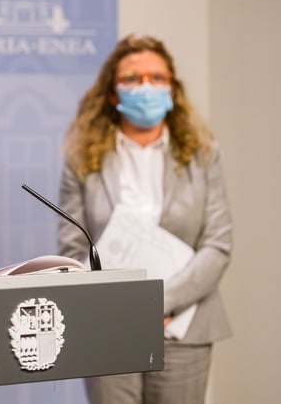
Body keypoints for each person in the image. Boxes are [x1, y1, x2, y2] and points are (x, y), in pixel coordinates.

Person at [58, 34, 232, 403]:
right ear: (112, 93)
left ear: (172, 89)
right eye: (133, 79)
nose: (146, 87)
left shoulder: (203, 154)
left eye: (157, 78)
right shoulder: (83, 158)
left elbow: (218, 244)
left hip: (184, 325)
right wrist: (121, 306)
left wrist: (160, 303)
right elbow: (72, 249)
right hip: (110, 325)